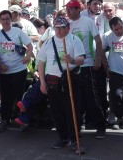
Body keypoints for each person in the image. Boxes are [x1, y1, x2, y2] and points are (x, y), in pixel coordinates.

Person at [38, 16, 86, 154]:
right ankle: (63, 138)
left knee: (71, 111)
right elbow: (41, 62)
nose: (58, 30)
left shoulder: (74, 40)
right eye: (56, 28)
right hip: (52, 82)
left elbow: (82, 60)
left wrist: (71, 59)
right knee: (57, 111)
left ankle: (75, 139)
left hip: (70, 80)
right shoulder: (48, 42)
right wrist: (42, 82)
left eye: (62, 28)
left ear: (68, 28)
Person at [66, 0, 106, 139]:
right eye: (67, 9)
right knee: (76, 97)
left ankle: (101, 126)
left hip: (88, 63)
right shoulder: (67, 24)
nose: (68, 12)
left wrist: (98, 59)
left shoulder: (88, 22)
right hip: (73, 66)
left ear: (78, 9)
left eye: (71, 9)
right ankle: (78, 125)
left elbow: (98, 40)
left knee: (92, 97)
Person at [0, 10, 33, 132]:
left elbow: (29, 46)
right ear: (0, 21)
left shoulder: (18, 32)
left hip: (19, 69)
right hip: (5, 71)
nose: (5, 21)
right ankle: (5, 120)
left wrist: (27, 56)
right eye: (3, 19)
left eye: (7, 19)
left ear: (11, 20)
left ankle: (22, 119)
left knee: (20, 96)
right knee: (6, 97)